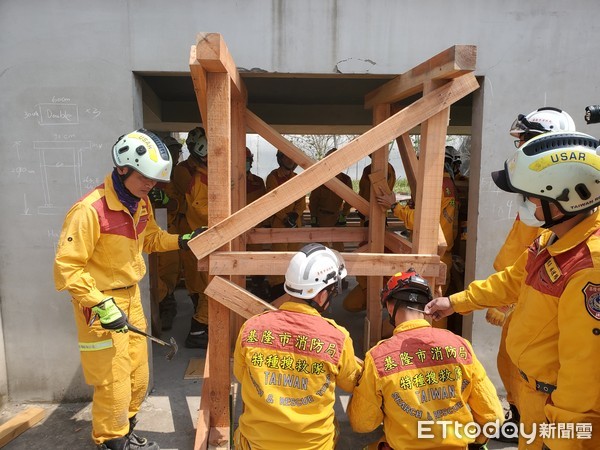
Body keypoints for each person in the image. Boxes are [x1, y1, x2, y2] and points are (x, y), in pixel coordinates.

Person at [425, 131, 600, 450]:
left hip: (558, 416)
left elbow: (585, 371)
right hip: (533, 398)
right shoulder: (554, 240)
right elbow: (511, 280)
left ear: (563, 202)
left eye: (531, 196)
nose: (525, 203)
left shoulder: (589, 268)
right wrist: (456, 302)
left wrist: (562, 441)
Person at [53, 129, 204, 450]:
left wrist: (182, 240)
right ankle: (111, 440)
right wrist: (99, 304)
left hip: (132, 295)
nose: (151, 184)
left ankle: (127, 429)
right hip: (100, 302)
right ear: (122, 168)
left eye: (155, 179)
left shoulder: (140, 202)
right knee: (113, 379)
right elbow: (67, 267)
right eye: (145, 177)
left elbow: (150, 239)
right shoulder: (89, 211)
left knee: (138, 373)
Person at [486, 106, 576, 443]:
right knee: (510, 360)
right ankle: (520, 416)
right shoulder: (538, 192)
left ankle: (528, 420)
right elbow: (526, 256)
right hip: (517, 290)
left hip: (528, 296)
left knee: (524, 365)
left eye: (526, 140)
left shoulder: (560, 198)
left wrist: (510, 302)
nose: (519, 147)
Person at [348, 269, 503, 450]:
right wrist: (477, 441)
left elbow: (363, 423)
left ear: (390, 307)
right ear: (427, 306)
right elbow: (493, 417)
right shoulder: (461, 346)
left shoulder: (378, 358)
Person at [233, 243, 362, 449]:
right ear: (321, 295)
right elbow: (352, 382)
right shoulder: (337, 338)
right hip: (313, 446)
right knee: (333, 426)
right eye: (333, 291)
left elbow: (241, 375)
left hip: (257, 444)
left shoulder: (251, 328)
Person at [375, 145, 458, 297]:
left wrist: (394, 206)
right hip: (440, 253)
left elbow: (421, 221)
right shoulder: (445, 184)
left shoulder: (436, 186)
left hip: (433, 253)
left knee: (431, 308)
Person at [343, 156, 396, 312]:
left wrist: (374, 216)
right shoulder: (367, 170)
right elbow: (362, 192)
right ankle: (370, 294)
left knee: (376, 251)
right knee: (349, 305)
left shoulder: (387, 169)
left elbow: (383, 195)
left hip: (377, 217)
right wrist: (362, 211)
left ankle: (384, 297)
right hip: (366, 217)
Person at [177, 126, 211, 348]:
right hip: (194, 234)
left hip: (205, 236)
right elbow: (197, 206)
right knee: (202, 287)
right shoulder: (189, 173)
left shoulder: (206, 172)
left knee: (206, 286)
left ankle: (203, 327)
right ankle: (199, 329)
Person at [147, 135, 184, 333]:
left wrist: (166, 199)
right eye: (174, 151)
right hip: (149, 232)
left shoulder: (176, 175)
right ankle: (160, 305)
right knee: (153, 273)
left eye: (178, 151)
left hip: (169, 230)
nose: (177, 155)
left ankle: (167, 305)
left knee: (170, 271)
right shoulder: (151, 174)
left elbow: (180, 204)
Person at [265, 150, 306, 300]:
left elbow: (301, 200)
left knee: (295, 259)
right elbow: (272, 200)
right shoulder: (273, 177)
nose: (291, 162)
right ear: (280, 159)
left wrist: (296, 214)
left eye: (293, 159)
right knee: (279, 258)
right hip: (279, 225)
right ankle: (276, 292)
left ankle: (292, 290)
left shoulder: (297, 178)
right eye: (288, 158)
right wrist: (284, 217)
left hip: (295, 225)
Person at [308, 147, 353, 252]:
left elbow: (350, 200)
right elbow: (313, 200)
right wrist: (314, 217)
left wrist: (343, 215)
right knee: (322, 247)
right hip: (322, 217)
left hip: (337, 217)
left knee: (339, 247)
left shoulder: (345, 180)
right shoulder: (321, 179)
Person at [245, 147, 270, 300]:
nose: (245, 164)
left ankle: (258, 287)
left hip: (255, 229)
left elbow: (265, 204)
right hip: (234, 231)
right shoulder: (228, 183)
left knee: (256, 260)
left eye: (247, 161)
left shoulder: (258, 182)